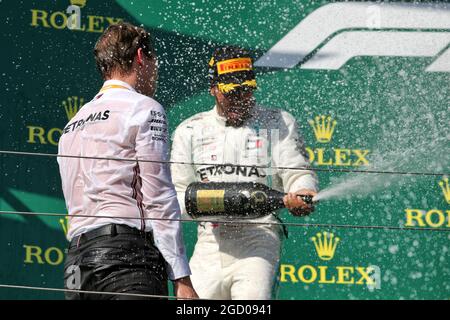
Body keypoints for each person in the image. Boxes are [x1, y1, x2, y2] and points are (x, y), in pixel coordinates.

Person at [57, 22, 197, 300]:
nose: (156, 71)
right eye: (154, 61)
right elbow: (158, 197)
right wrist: (182, 279)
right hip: (128, 257)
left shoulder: (72, 124)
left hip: (76, 262)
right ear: (141, 58)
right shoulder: (144, 108)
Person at [170, 46, 319, 300]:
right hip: (209, 243)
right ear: (214, 88)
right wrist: (217, 202)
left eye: (246, 90)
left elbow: (297, 172)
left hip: (259, 238)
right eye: (232, 92)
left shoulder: (278, 121)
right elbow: (176, 198)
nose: (240, 98)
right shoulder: (190, 130)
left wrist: (304, 190)